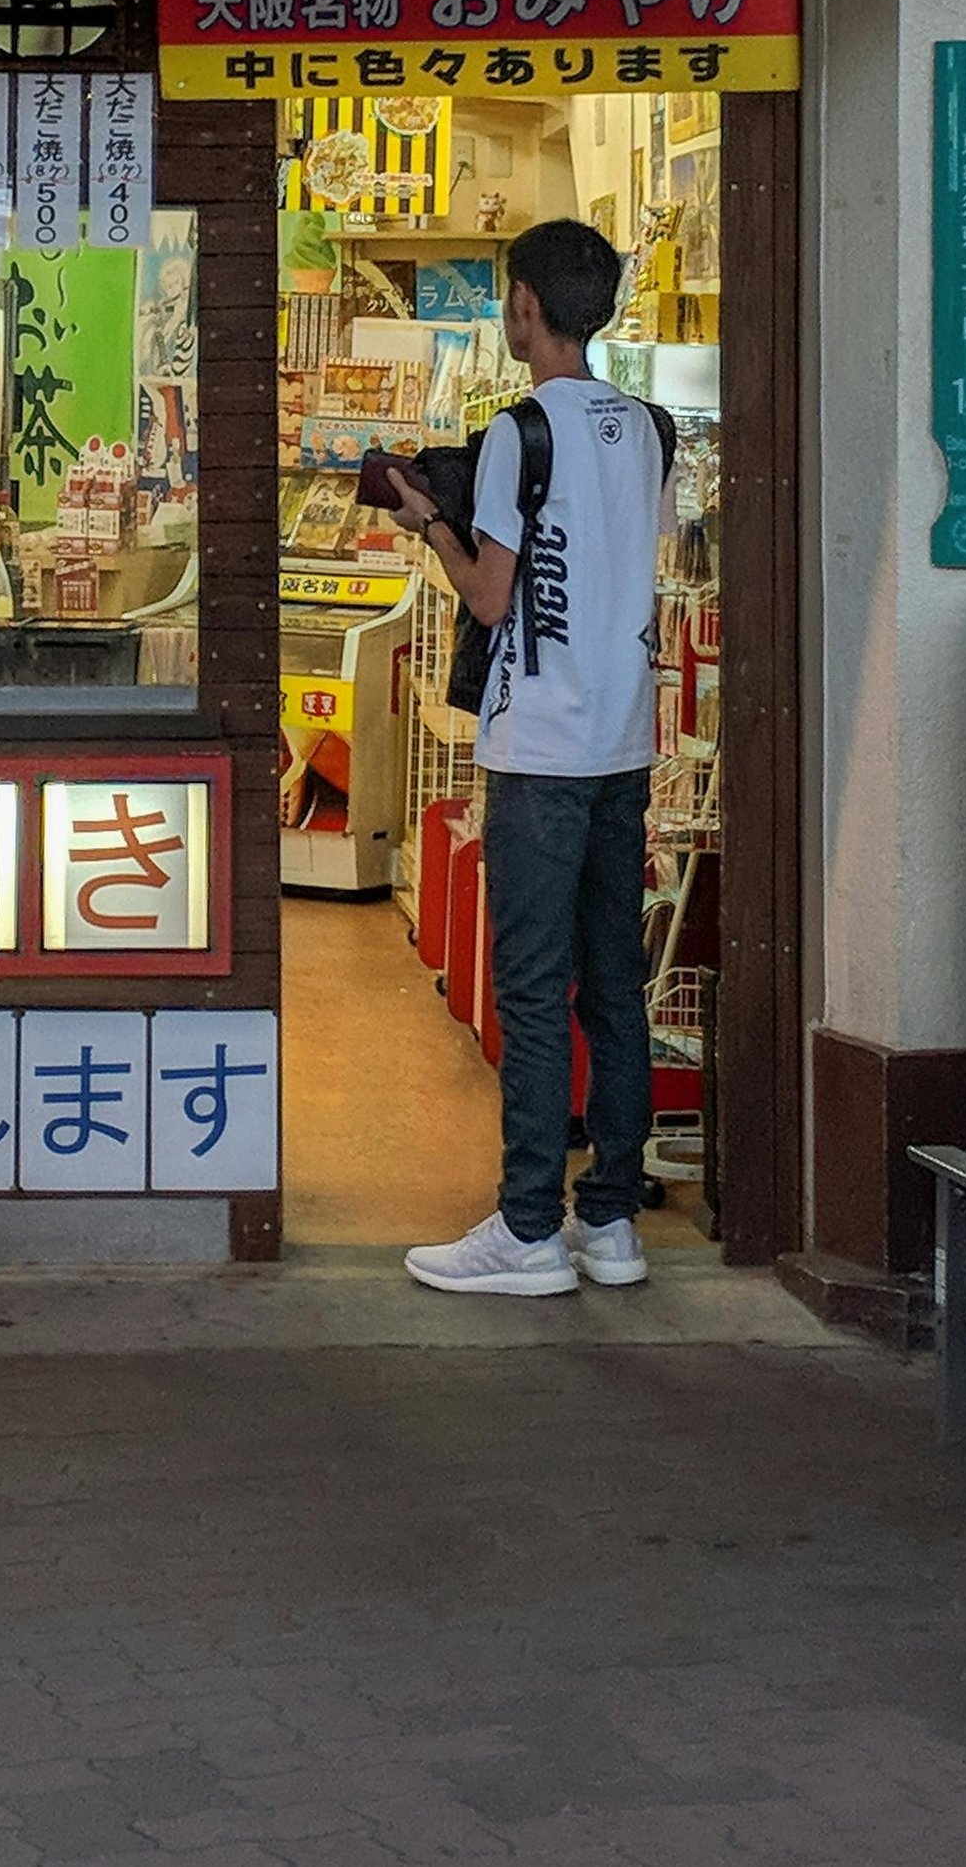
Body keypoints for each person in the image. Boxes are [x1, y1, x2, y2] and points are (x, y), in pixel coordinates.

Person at [391, 218, 671, 1296]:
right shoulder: (649, 426)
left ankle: (525, 1225)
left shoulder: (518, 432)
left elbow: (492, 594)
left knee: (531, 984)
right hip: (624, 740)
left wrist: (429, 519)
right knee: (615, 985)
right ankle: (611, 1223)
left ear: (522, 307)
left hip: (540, 746)